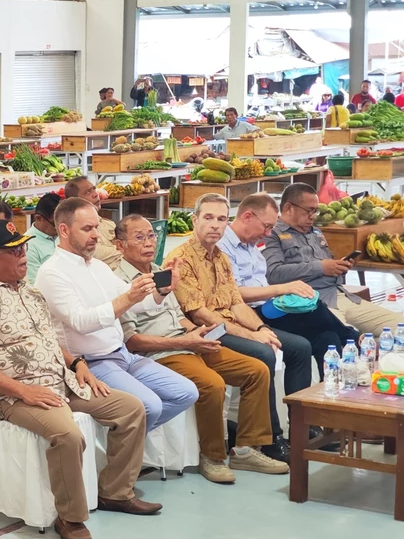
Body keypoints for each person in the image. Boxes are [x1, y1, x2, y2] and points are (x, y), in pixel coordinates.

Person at [0, 221, 158, 539]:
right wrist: (23, 391)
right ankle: (71, 518)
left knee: (131, 408)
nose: (24, 256)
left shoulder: (32, 293)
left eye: (23, 248)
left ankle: (116, 493)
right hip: (15, 396)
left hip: (61, 381)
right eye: (14, 251)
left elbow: (49, 341)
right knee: (67, 434)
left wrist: (77, 364)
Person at [115, 214, 286, 482]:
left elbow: (177, 315)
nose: (149, 242)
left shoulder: (160, 270)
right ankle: (213, 456)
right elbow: (132, 341)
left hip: (188, 341)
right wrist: (184, 341)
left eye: (151, 235)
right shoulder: (119, 282)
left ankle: (246, 449)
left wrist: (196, 332)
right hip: (160, 352)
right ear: (119, 245)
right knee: (212, 383)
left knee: (257, 370)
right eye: (139, 237)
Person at [36, 197, 198, 432]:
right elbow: (81, 322)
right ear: (63, 230)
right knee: (149, 405)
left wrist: (162, 290)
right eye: (87, 229)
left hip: (123, 355)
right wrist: (128, 298)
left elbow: (135, 303)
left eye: (96, 228)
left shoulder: (97, 266)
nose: (96, 235)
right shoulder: (52, 273)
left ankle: (126, 444)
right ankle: (124, 454)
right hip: (91, 362)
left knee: (186, 392)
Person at [167, 193, 303, 464]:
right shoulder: (181, 258)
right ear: (194, 220)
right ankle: (269, 439)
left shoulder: (221, 258)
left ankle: (288, 432)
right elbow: (201, 314)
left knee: (288, 345)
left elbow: (237, 303)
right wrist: (252, 335)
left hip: (225, 322)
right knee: (262, 354)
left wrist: (262, 327)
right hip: (201, 331)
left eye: (221, 219)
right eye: (208, 218)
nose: (215, 225)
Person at [218, 193, 358, 375]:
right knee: (310, 317)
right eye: (266, 227)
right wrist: (283, 288)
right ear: (247, 217)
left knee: (328, 337)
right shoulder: (222, 248)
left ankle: (327, 399)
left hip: (268, 307)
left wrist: (285, 293)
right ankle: (351, 336)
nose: (268, 233)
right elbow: (232, 294)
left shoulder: (251, 244)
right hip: (247, 313)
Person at [263, 182, 400, 336]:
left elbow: (328, 263)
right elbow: (273, 274)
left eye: (316, 211)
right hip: (310, 303)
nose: (313, 216)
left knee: (398, 326)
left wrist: (339, 267)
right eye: (309, 211)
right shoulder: (272, 234)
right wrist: (320, 267)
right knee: (349, 339)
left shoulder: (315, 232)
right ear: (288, 208)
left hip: (340, 295)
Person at [63, 176, 122, 269]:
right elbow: (94, 253)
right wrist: (126, 251)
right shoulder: (72, 231)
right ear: (75, 201)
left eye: (94, 189)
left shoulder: (109, 224)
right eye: (87, 192)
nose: (95, 194)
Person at [24, 192, 61, 285]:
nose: (61, 229)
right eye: (55, 224)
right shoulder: (28, 245)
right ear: (39, 218)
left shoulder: (62, 234)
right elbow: (35, 283)